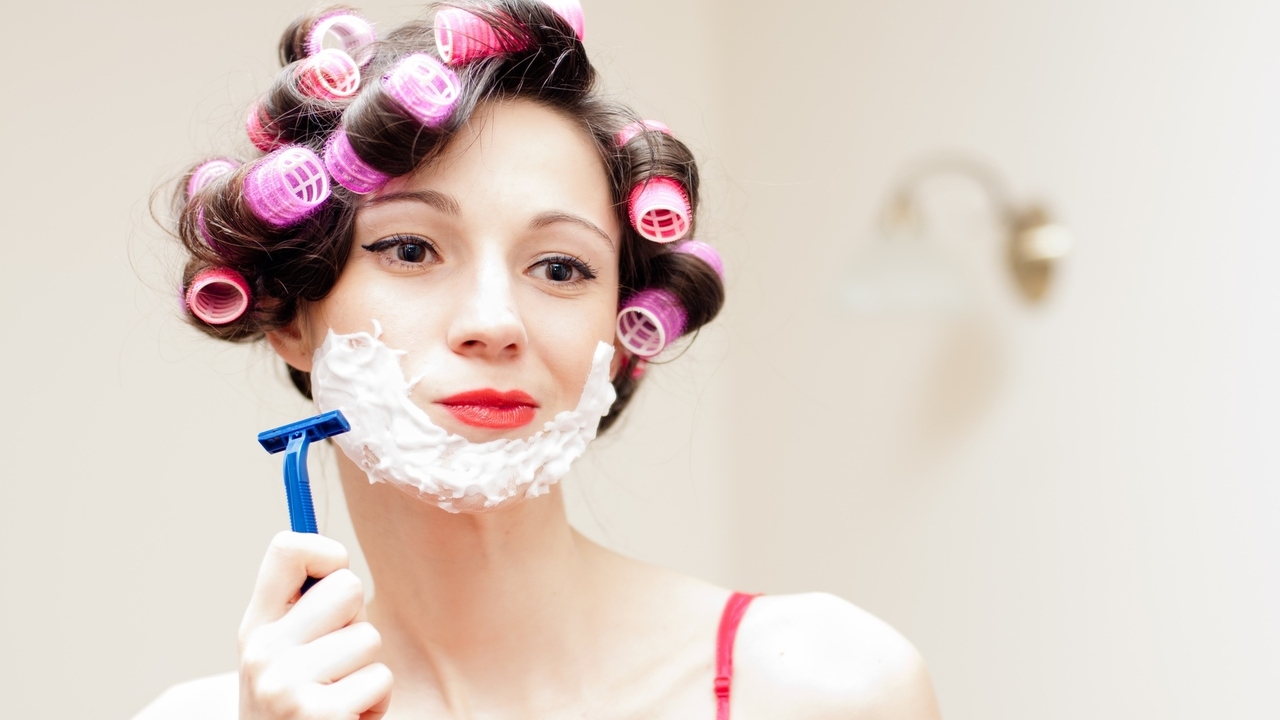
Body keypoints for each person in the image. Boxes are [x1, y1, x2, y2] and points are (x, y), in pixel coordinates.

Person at [137, 1, 942, 717]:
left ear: (622, 332)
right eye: (412, 249)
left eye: (560, 268)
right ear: (288, 314)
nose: (496, 323)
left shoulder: (823, 686)